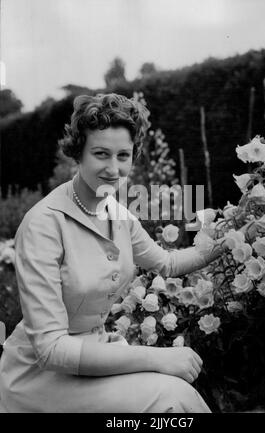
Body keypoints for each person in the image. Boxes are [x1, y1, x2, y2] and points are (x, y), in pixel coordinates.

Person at [0, 93, 223, 413]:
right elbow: (50, 350)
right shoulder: (44, 224)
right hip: (39, 377)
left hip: (96, 355)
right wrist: (158, 358)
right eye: (101, 154)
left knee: (175, 396)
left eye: (123, 155)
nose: (113, 169)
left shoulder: (118, 214)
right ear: (78, 153)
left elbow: (168, 263)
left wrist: (225, 241)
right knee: (171, 397)